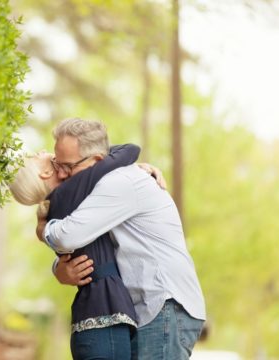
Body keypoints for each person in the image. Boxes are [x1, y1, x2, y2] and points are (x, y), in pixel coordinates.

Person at [41, 118, 206, 359]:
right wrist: (60, 269)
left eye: (67, 166)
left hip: (165, 305)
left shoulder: (118, 183)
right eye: (57, 165)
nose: (63, 175)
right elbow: (92, 247)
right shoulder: (108, 179)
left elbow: (68, 237)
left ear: (96, 161)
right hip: (154, 309)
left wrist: (42, 227)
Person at [11, 142, 160, 359]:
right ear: (44, 173)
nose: (42, 151)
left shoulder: (59, 204)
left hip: (97, 321)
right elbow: (128, 151)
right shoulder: (70, 193)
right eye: (36, 156)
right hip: (103, 320)